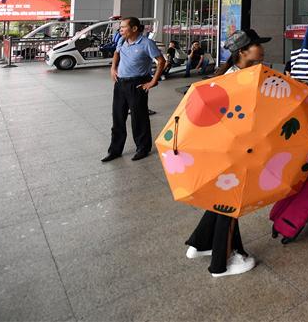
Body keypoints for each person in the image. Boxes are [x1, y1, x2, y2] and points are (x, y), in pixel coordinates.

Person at [185, 29, 270, 277]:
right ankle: (222, 262)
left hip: (225, 148)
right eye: (256, 45)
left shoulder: (237, 75)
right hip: (232, 150)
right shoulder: (235, 81)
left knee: (222, 196)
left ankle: (200, 243)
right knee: (230, 202)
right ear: (242, 52)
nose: (261, 48)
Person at [102, 17, 166, 163]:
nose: (121, 29)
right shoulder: (122, 40)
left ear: (135, 28)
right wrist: (113, 68)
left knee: (139, 118)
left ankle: (143, 148)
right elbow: (117, 53)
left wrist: (153, 81)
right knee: (118, 117)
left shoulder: (146, 43)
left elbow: (161, 61)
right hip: (120, 84)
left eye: (124, 27)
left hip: (137, 83)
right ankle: (115, 150)